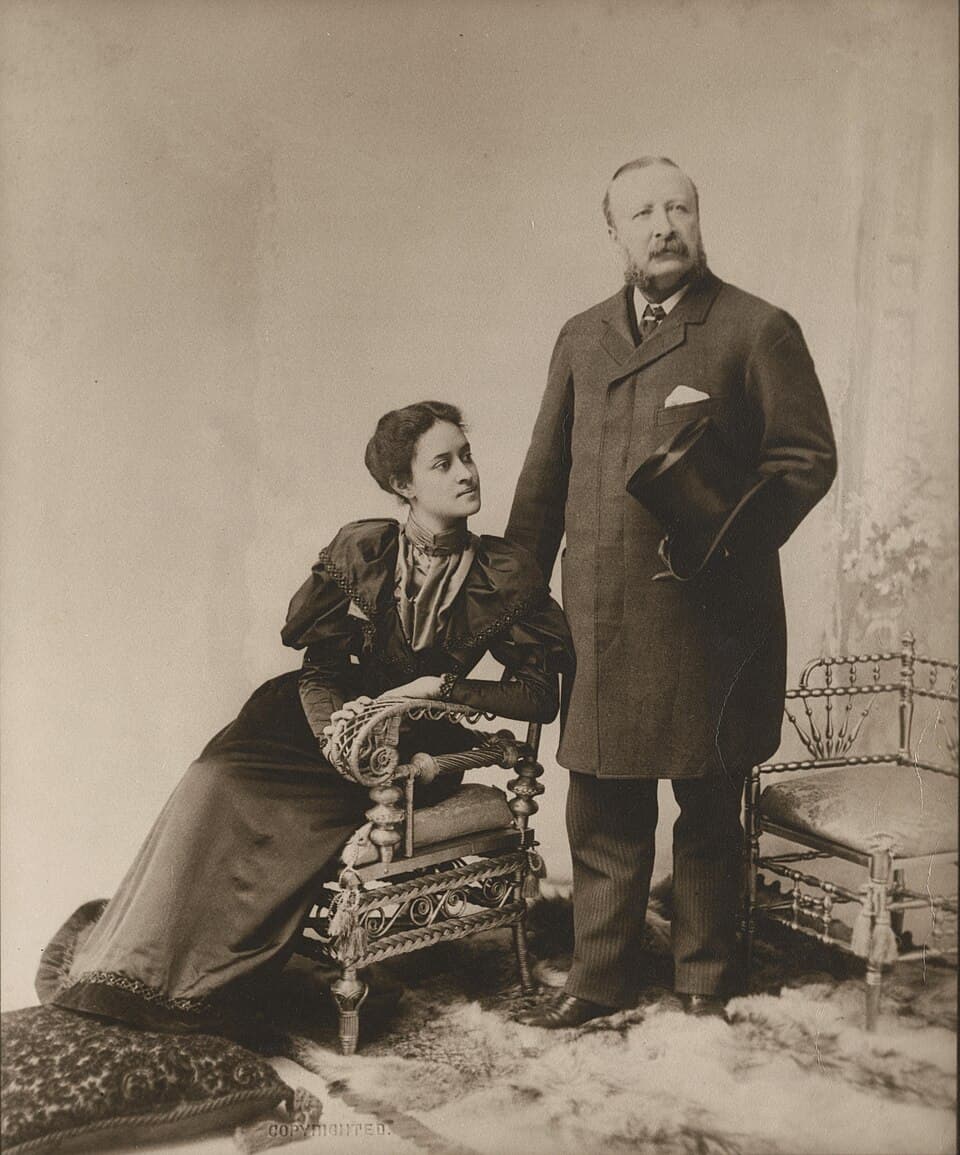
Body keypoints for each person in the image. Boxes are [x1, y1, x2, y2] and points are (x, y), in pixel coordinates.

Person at [38, 400, 571, 1035]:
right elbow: (320, 668)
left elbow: (538, 696)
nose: (467, 472)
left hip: (411, 743)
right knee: (212, 781)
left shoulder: (501, 572)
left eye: (467, 456)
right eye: (443, 463)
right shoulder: (364, 550)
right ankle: (141, 964)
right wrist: (339, 736)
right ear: (403, 484)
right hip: (316, 722)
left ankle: (209, 973)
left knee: (274, 814)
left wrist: (444, 686)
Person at [506, 156, 837, 1027]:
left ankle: (703, 975)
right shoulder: (580, 337)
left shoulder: (756, 328)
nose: (664, 227)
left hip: (710, 617)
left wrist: (727, 535)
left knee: (708, 801)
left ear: (698, 217)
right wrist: (513, 602)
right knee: (603, 802)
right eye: (643, 213)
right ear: (613, 231)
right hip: (600, 613)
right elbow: (542, 482)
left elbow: (806, 459)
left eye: (679, 208)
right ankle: (598, 977)